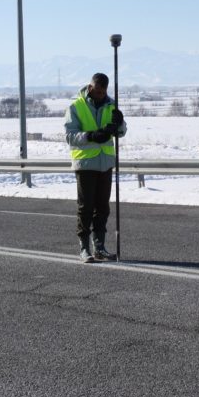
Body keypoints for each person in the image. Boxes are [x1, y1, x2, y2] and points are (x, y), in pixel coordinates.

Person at [64, 72, 127, 262]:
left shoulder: (111, 105)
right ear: (90, 87)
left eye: (103, 92)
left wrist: (120, 123)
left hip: (105, 163)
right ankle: (84, 248)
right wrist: (91, 136)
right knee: (86, 207)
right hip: (85, 164)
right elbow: (70, 136)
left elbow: (121, 133)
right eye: (97, 91)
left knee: (102, 208)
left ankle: (99, 246)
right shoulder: (76, 107)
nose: (100, 95)